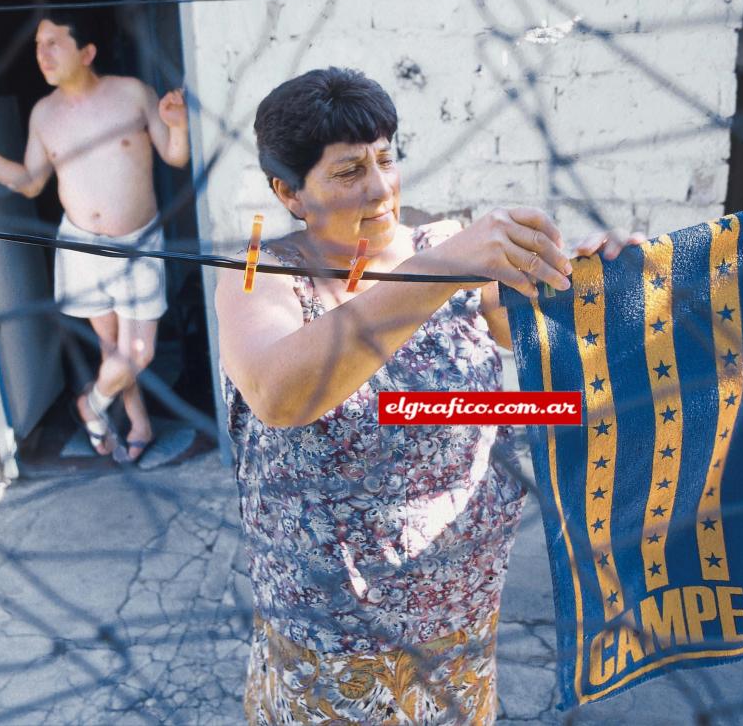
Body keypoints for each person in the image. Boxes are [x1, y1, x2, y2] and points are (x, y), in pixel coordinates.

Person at [215, 67, 643, 723]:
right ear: (290, 192)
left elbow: (518, 324)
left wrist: (593, 278)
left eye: (387, 158)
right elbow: (278, 393)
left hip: (458, 614)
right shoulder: (260, 269)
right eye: (349, 171)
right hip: (337, 634)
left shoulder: (439, 241)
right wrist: (442, 272)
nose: (381, 186)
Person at [0, 12, 189, 463]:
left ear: (87, 52)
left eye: (53, 43)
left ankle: (91, 405)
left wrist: (177, 125)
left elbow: (175, 158)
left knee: (137, 351)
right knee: (112, 349)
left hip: (138, 243)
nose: (42, 55)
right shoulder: (45, 113)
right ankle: (138, 423)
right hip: (81, 243)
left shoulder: (132, 93)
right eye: (38, 45)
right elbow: (29, 183)